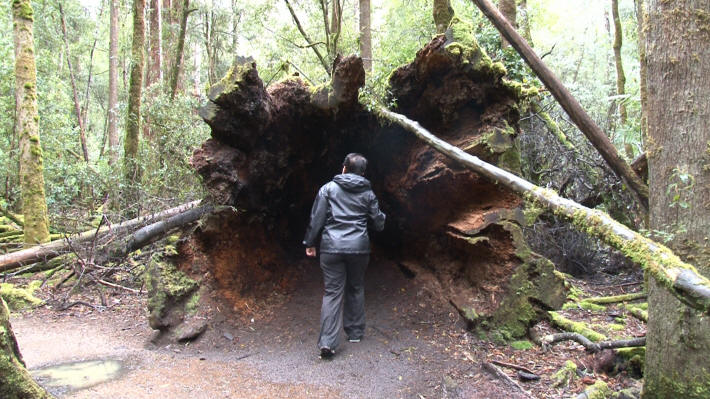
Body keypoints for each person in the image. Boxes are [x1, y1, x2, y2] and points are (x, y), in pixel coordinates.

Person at [303, 153, 386, 359]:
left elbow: (316, 218)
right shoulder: (368, 193)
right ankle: (355, 332)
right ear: (362, 173)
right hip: (358, 248)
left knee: (332, 292)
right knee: (355, 287)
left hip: (331, 247)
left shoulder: (328, 189)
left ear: (344, 169)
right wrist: (381, 217)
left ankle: (328, 343)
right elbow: (378, 223)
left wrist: (310, 242)